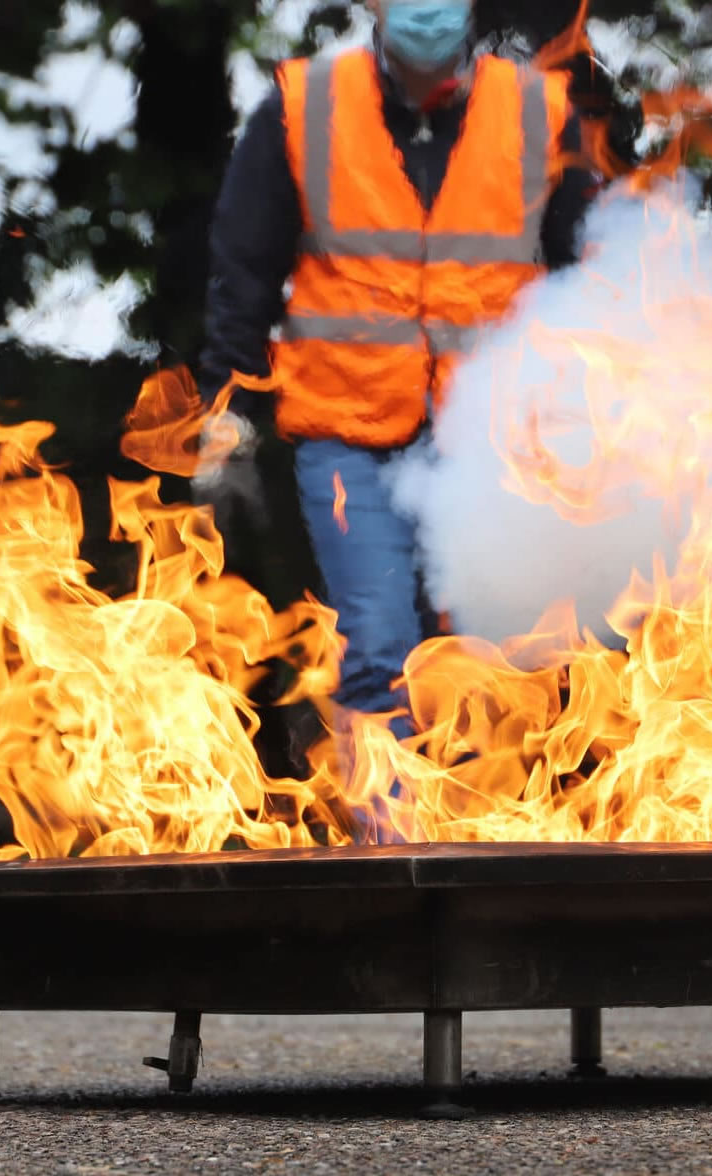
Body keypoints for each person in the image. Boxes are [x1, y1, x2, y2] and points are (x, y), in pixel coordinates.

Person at [194, 0, 594, 756]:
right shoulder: (303, 105)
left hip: (494, 439)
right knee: (380, 657)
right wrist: (228, 412)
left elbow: (594, 271)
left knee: (502, 660)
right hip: (348, 431)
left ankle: (492, 856)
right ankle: (389, 857)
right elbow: (242, 273)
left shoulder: (539, 111)